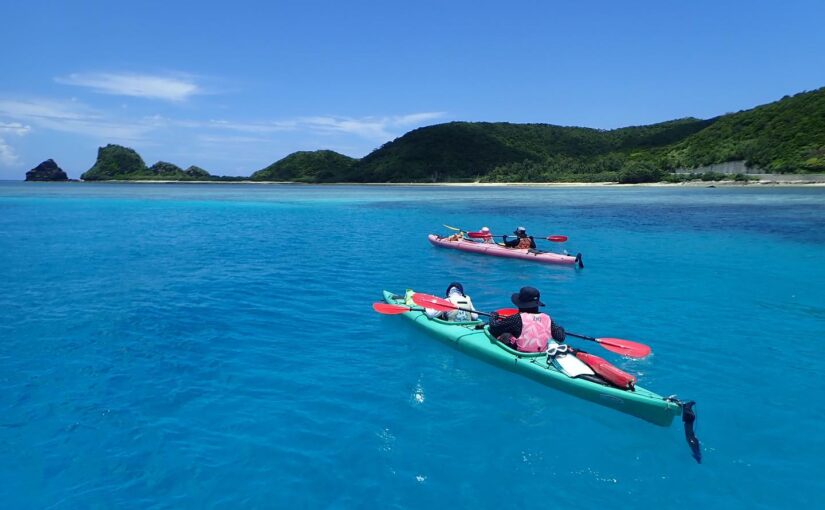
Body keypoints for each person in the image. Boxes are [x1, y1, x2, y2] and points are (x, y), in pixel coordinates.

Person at [488, 286, 565, 352]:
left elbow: (494, 327)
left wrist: (493, 316)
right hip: (542, 353)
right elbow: (560, 337)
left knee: (506, 335)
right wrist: (559, 328)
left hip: (521, 353)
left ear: (520, 304)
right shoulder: (547, 318)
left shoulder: (517, 318)